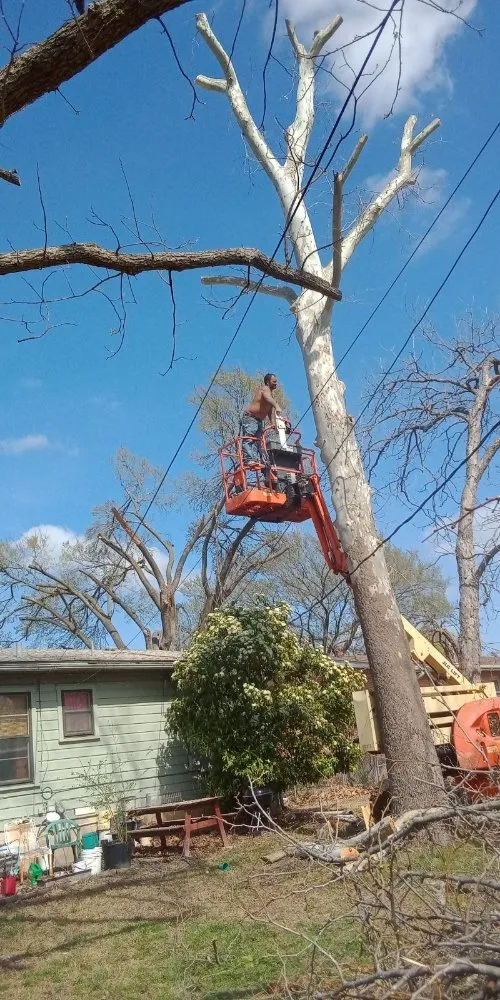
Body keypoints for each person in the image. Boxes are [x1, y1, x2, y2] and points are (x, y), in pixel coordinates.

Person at [241, 373, 281, 468]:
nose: (276, 383)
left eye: (276, 382)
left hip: (259, 421)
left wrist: (274, 425)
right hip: (250, 418)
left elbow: (270, 412)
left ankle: (261, 461)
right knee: (249, 438)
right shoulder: (265, 389)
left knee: (259, 442)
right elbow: (268, 398)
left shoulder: (271, 396)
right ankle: (249, 460)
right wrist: (277, 406)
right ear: (267, 382)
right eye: (274, 381)